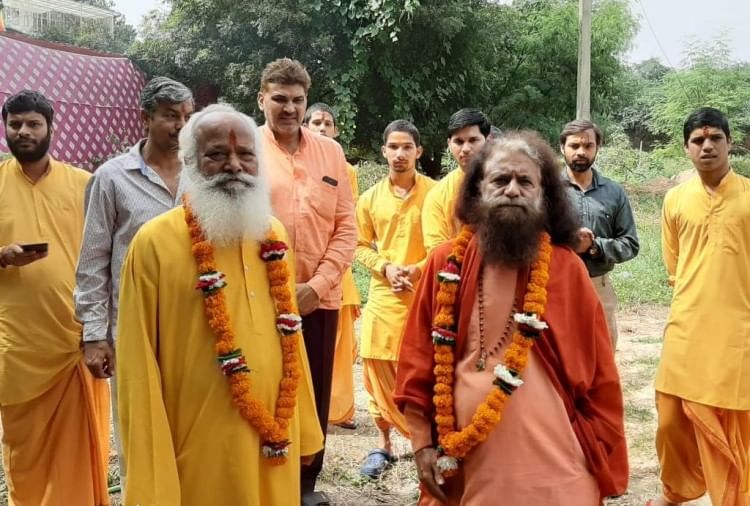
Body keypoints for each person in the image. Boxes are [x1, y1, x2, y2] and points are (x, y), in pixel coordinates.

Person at [395, 131, 628, 504]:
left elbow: (601, 372)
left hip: (556, 455)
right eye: (500, 180)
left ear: (544, 196)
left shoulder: (566, 268)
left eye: (525, 182)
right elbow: (417, 357)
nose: (512, 190)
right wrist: (422, 442)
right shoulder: (445, 262)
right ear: (478, 191)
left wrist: (599, 444)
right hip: (468, 452)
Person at [116, 104, 323, 506]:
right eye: (216, 154)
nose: (234, 165)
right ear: (190, 163)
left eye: (245, 154)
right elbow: (136, 365)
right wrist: (149, 469)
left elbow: (291, 336)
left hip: (274, 435)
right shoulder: (154, 243)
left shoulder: (273, 235)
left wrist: (305, 425)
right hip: (199, 442)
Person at [74, 76, 193, 488]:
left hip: (196, 328)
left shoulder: (203, 174)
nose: (181, 127)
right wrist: (94, 335)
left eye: (187, 117)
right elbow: (92, 260)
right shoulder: (111, 178)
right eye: (170, 116)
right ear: (145, 118)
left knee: (191, 432)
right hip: (132, 330)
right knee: (139, 432)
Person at [0, 90, 110, 505]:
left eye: (33, 123)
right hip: (18, 345)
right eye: (15, 124)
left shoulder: (84, 184)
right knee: (24, 452)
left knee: (79, 454)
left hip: (75, 341)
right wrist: (3, 256)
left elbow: (104, 256)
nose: (23, 131)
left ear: (51, 127)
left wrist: (100, 330)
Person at [256, 58, 356, 506]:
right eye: (279, 98)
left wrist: (317, 285)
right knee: (262, 388)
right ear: (261, 99)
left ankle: (305, 486)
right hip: (259, 297)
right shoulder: (245, 150)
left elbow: (347, 227)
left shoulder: (331, 153)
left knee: (313, 393)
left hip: (319, 299)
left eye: (298, 100)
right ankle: (264, 483)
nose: (289, 108)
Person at [650, 108, 750, 506]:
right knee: (670, 417)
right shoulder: (675, 199)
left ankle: (734, 497)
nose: (707, 146)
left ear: (730, 143)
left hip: (738, 325)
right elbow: (673, 265)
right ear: (686, 148)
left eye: (715, 139)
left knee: (733, 420)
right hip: (687, 322)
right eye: (698, 140)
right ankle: (676, 489)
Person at [356, 120, 436, 478]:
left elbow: (447, 244)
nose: (400, 154)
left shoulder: (436, 194)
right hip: (384, 295)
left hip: (425, 295)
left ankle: (428, 441)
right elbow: (358, 245)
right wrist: (385, 267)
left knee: (425, 369)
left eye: (407, 147)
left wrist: (417, 270)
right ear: (383, 151)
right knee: (375, 370)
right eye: (393, 147)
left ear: (418, 151)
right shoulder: (370, 199)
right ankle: (384, 443)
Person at [303, 102, 361, 430]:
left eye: (327, 123)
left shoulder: (344, 168)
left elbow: (347, 221)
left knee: (337, 350)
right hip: (295, 271)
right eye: (316, 123)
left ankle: (339, 410)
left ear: (336, 130)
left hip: (336, 270)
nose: (322, 128)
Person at [559, 119, 639, 348]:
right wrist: (565, 242)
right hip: (555, 285)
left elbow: (630, 243)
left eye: (588, 146)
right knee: (557, 357)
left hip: (599, 286)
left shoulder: (613, 192)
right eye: (574, 146)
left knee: (601, 354)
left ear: (597, 148)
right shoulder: (546, 189)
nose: (581, 152)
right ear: (562, 148)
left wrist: (595, 247)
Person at [422, 108, 490, 251]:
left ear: (488, 140)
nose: (466, 149)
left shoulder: (509, 184)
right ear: (449, 144)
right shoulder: (438, 195)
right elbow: (436, 249)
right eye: (459, 142)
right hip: (455, 262)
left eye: (473, 140)